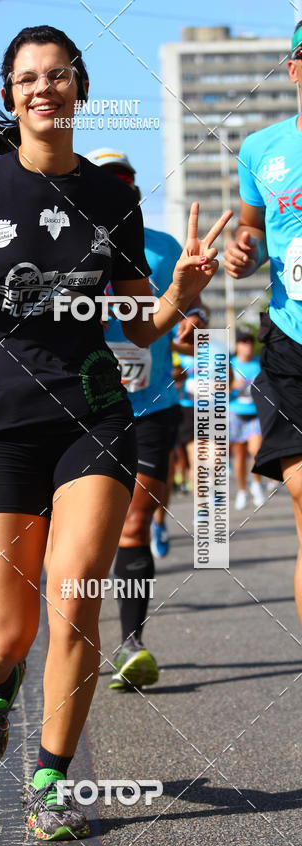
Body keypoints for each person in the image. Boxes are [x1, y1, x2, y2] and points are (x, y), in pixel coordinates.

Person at [0, 25, 230, 841]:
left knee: (74, 601)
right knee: (7, 633)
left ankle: (48, 779)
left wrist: (180, 291)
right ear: (11, 94)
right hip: (0, 427)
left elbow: (142, 329)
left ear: (78, 88)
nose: (44, 88)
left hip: (93, 418)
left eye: (58, 75)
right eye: (28, 78)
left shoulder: (113, 197)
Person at [85, 147, 207, 690]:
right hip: (84, 407)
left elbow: (191, 310)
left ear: (135, 189)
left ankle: (131, 642)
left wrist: (191, 324)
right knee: (85, 537)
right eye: (108, 181)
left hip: (152, 405)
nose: (121, 189)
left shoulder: (163, 248)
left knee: (135, 522)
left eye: (127, 180)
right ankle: (69, 641)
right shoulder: (69, 247)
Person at [224, 19, 302, 629]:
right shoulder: (262, 150)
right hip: (290, 338)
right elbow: (250, 228)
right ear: (293, 67)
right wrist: (241, 250)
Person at [229, 329, 264, 510]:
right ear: (237, 346)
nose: (247, 345)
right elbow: (217, 390)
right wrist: (231, 385)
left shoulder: (260, 364)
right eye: (243, 342)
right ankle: (242, 490)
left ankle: (256, 483)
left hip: (255, 414)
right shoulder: (230, 364)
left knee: (256, 450)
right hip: (235, 413)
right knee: (239, 455)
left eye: (250, 342)